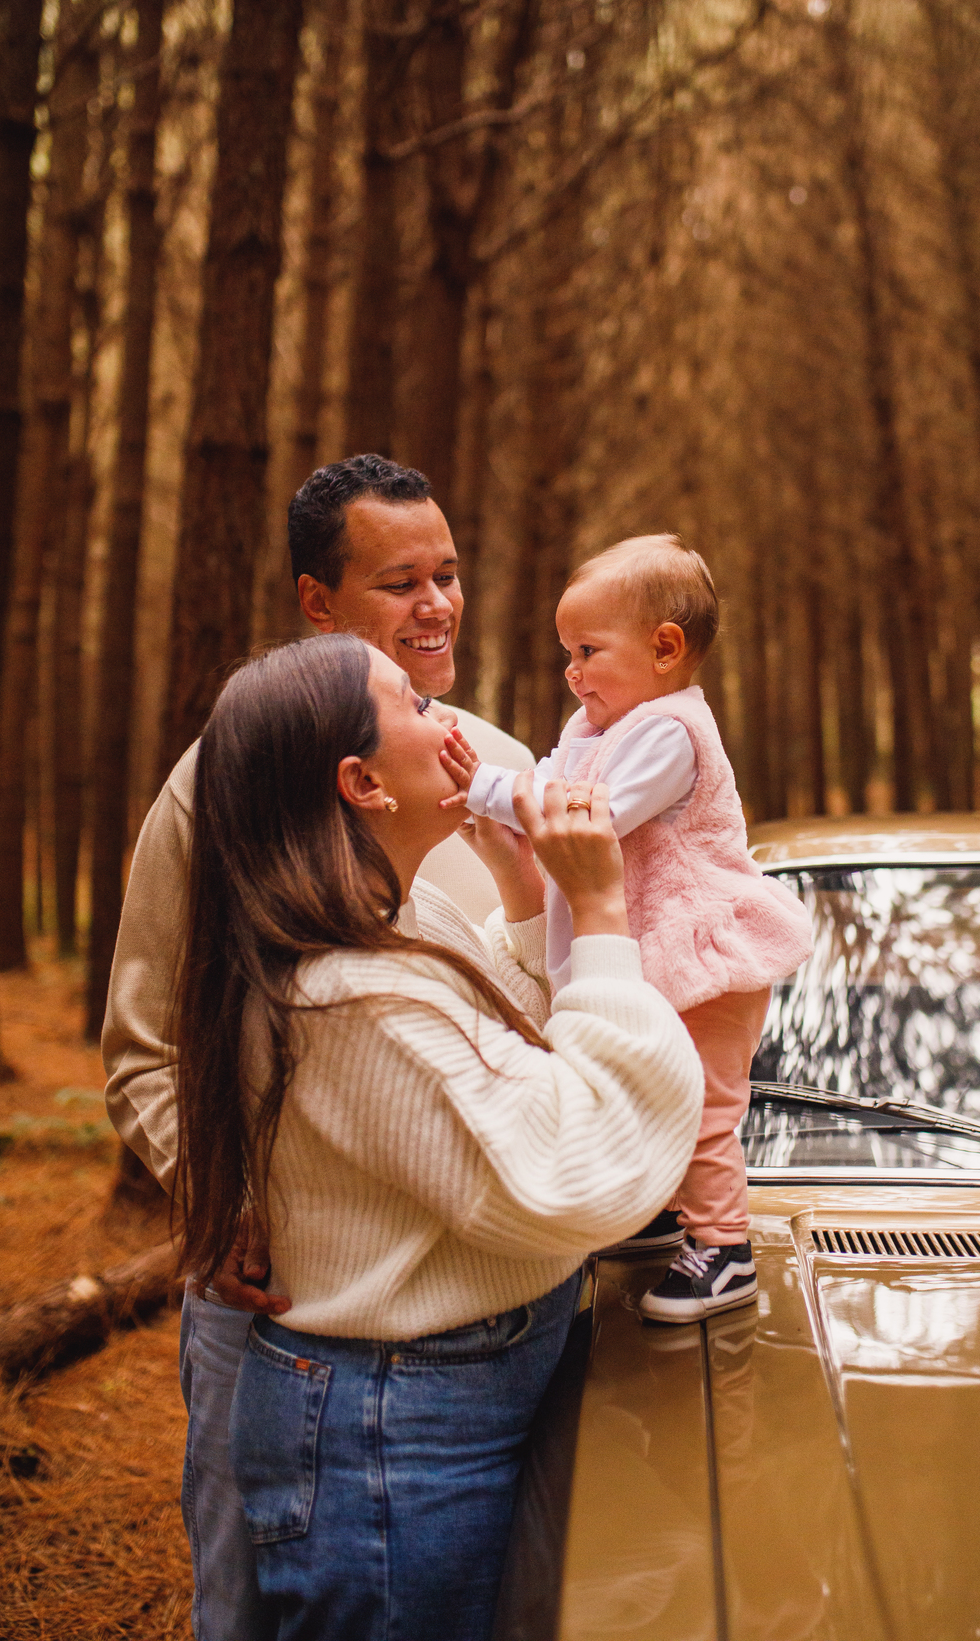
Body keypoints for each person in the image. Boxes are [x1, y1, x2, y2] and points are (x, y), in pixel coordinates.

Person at [174, 633, 705, 1641]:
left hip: (430, 1402)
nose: (448, 721)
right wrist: (598, 910)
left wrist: (523, 891)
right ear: (363, 783)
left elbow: (507, 1061)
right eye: (416, 707)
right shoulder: (352, 994)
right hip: (397, 1435)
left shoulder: (396, 918)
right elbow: (575, 1164)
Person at [101, 455, 532, 1641]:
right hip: (277, 1303)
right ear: (317, 601)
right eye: (401, 582)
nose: (438, 605)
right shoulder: (221, 785)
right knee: (244, 1597)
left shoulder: (503, 767)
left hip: (471, 1332)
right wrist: (222, 1197)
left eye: (447, 574)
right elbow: (142, 1045)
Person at [456, 534, 813, 1322]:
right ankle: (660, 1210)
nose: (571, 670)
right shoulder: (597, 731)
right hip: (654, 959)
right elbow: (548, 784)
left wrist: (483, 785)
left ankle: (724, 1249)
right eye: (567, 653)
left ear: (664, 649)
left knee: (705, 1107)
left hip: (704, 956)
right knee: (653, 1090)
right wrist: (502, 802)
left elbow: (587, 815)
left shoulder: (670, 732)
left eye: (587, 650)